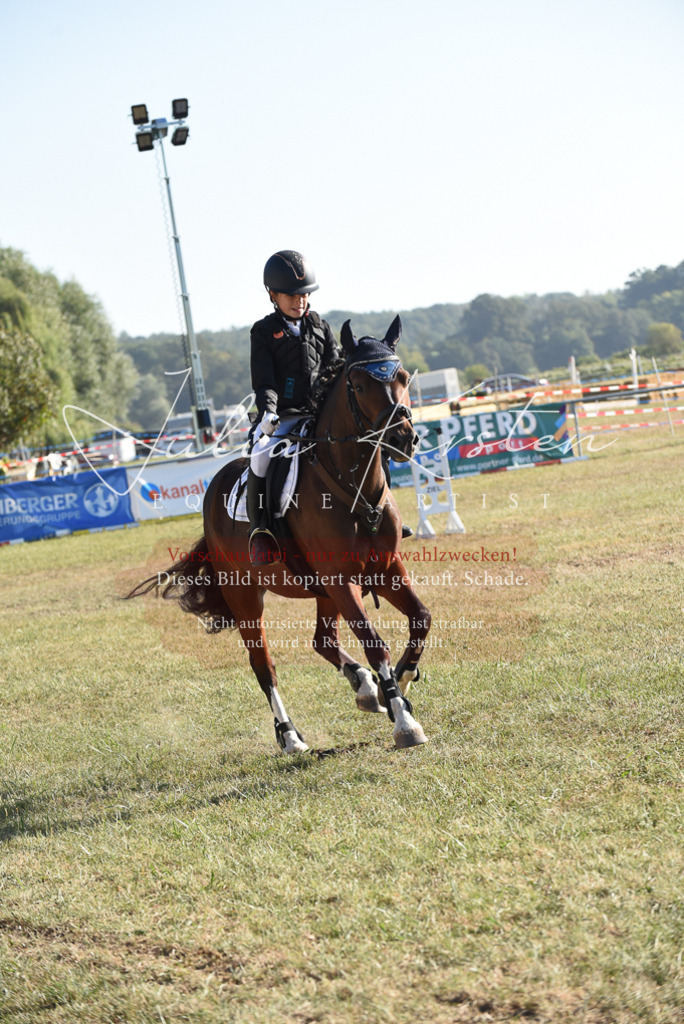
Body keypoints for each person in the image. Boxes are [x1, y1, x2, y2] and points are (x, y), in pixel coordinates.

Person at [247, 250, 341, 566]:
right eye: (290, 295)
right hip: (283, 417)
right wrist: (269, 412)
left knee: (367, 445)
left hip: (320, 415)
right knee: (261, 455)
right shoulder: (263, 331)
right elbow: (264, 381)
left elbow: (336, 369)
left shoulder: (320, 326)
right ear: (272, 295)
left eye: (303, 294)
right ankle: (262, 530)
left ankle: (380, 513)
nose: (299, 301)